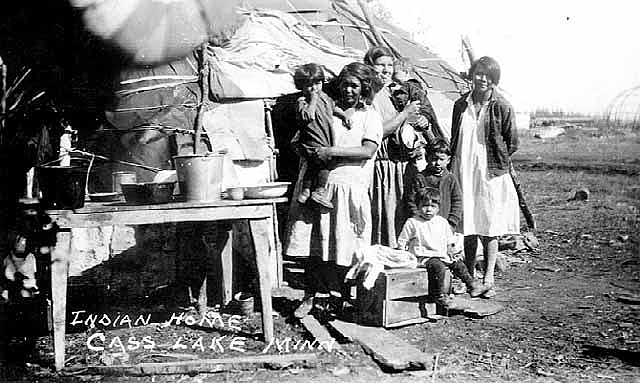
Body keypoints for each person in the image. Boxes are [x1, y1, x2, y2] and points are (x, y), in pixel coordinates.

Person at [285, 62, 383, 320]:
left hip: (348, 185)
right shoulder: (326, 108)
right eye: (345, 84)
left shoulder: (369, 115)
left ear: (364, 88)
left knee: (344, 244)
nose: (348, 90)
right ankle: (312, 295)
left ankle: (340, 297)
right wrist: (310, 154)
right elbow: (300, 139)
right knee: (313, 244)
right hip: (318, 181)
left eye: (355, 85)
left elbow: (367, 150)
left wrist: (330, 152)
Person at [450, 56, 520, 298]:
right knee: (468, 224)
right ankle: (470, 277)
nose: (482, 79)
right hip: (464, 172)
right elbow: (454, 140)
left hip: (490, 174)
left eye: (488, 76)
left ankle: (488, 278)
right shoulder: (460, 105)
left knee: (490, 225)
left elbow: (512, 143)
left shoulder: (502, 106)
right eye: (479, 73)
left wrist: (491, 160)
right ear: (472, 75)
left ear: (494, 80)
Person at [364, 46, 425, 248]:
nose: (386, 70)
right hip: (381, 167)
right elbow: (378, 131)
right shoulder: (369, 95)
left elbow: (405, 124)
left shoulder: (393, 91)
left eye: (389, 65)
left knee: (400, 213)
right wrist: (405, 113)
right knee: (384, 215)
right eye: (381, 65)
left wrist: (420, 121)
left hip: (399, 166)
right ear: (369, 66)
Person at [396, 188, 489, 308]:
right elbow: (402, 241)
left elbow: (449, 241)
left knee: (458, 264)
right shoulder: (413, 222)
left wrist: (451, 251)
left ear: (438, 207)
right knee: (438, 266)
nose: (428, 210)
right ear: (418, 206)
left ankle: (472, 285)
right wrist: (402, 255)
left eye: (433, 206)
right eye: (424, 206)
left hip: (441, 254)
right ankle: (439, 295)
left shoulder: (441, 222)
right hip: (423, 257)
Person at [292, 63, 350, 209]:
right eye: (309, 85)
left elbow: (333, 107)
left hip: (325, 137)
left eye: (317, 83)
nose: (314, 88)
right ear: (301, 86)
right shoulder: (302, 101)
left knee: (315, 166)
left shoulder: (325, 97)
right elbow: (308, 116)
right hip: (312, 139)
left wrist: (343, 115)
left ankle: (306, 192)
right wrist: (313, 99)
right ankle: (318, 191)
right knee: (323, 163)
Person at [405, 138, 462, 232]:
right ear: (427, 158)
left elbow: (457, 202)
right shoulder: (420, 178)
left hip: (444, 227)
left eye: (442, 159)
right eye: (434, 159)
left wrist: (452, 223)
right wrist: (418, 220)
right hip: (422, 226)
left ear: (448, 160)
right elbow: (412, 201)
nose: (438, 163)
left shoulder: (450, 179)